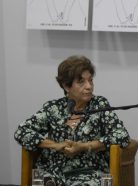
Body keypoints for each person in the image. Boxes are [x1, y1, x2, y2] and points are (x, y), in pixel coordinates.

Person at [14, 55, 130, 186]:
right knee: (43, 182)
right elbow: (21, 132)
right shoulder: (53, 108)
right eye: (81, 82)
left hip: (89, 173)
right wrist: (54, 145)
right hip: (53, 171)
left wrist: (85, 147)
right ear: (66, 86)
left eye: (90, 81)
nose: (89, 87)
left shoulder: (99, 105)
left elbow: (122, 135)